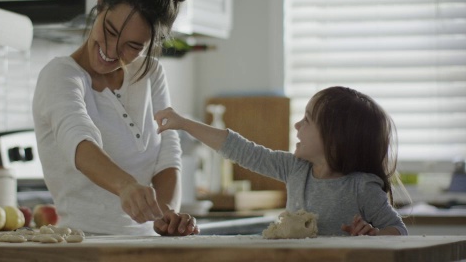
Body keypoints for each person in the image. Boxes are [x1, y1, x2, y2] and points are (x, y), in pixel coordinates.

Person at [32, 0, 198, 236]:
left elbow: (168, 156)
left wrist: (167, 216)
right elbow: (79, 140)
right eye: (109, 30)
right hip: (84, 248)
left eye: (132, 47)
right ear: (99, 6)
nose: (111, 50)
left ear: (150, 45)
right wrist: (126, 186)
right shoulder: (60, 76)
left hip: (148, 249)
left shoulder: (151, 74)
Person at [154, 86, 408, 236]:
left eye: (307, 120)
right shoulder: (295, 169)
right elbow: (240, 150)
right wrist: (184, 124)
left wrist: (374, 235)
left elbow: (399, 231)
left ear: (335, 139)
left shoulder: (361, 188)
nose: (297, 125)